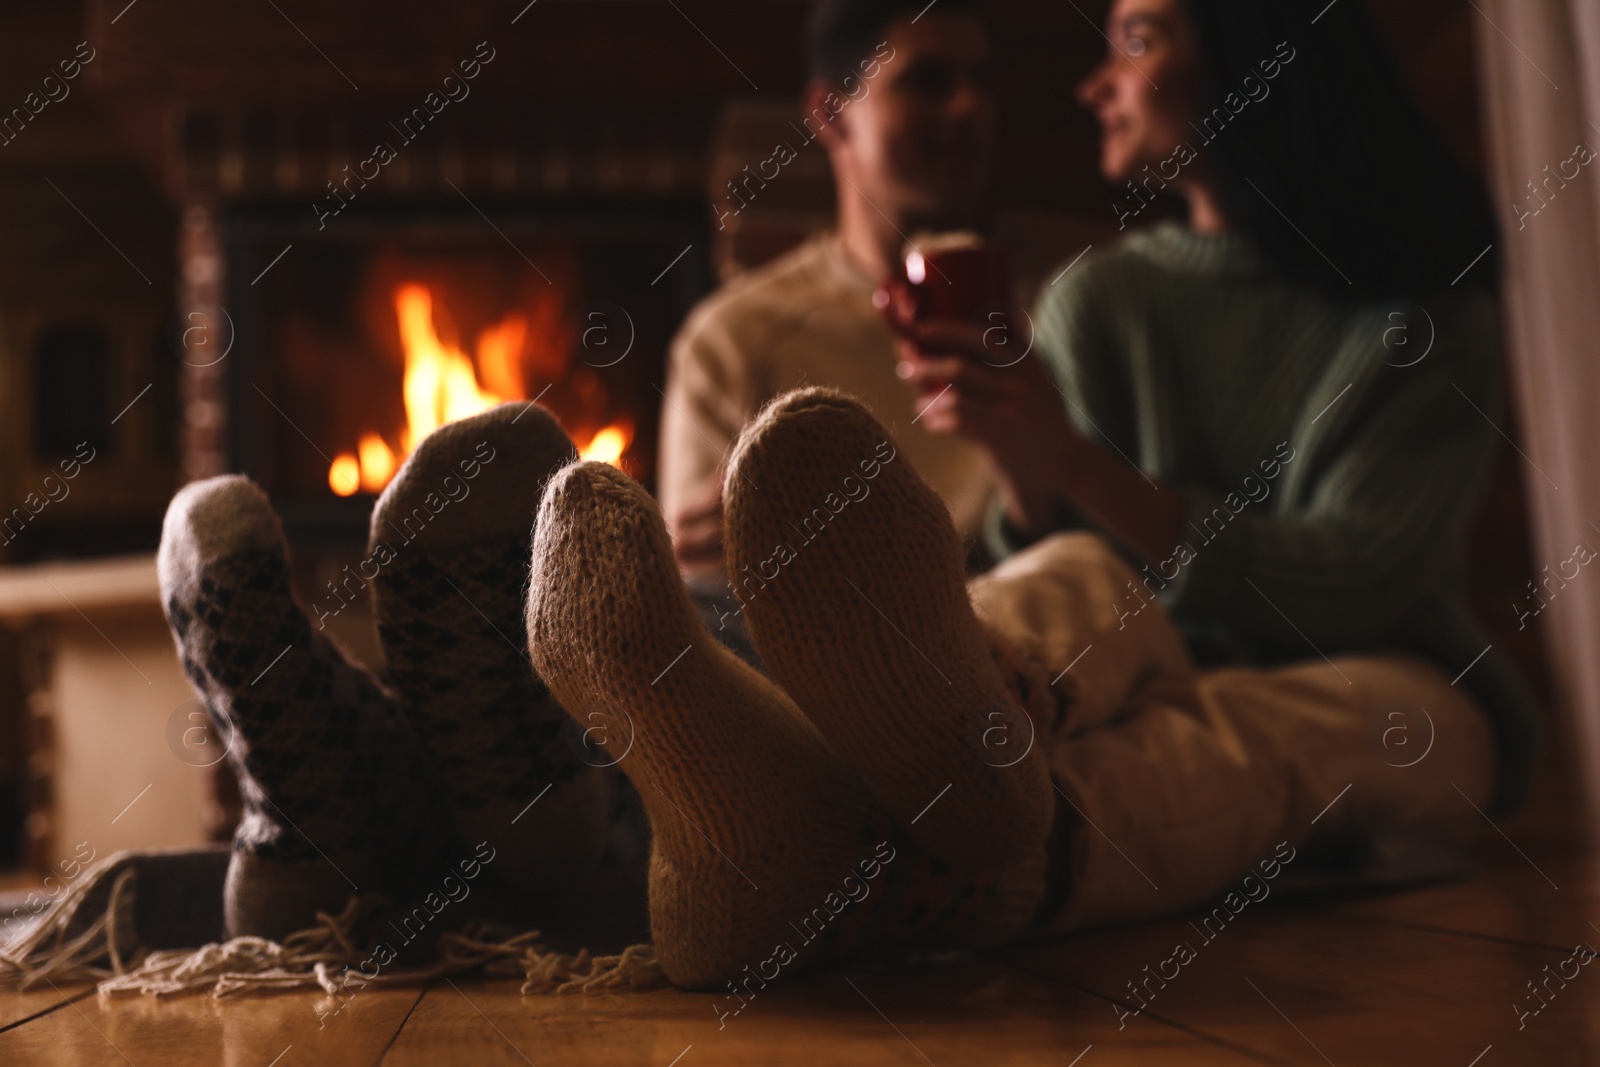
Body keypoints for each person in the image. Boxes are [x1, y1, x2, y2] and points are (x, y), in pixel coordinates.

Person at [896, 0, 1538, 816]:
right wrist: (1025, 465)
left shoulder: (1427, 319)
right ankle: (890, 732)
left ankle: (966, 840)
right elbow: (1081, 576)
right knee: (1069, 600)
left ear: (1256, 57)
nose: (1095, 85)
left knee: (1256, 733)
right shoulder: (1097, 298)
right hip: (1140, 673)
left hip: (1378, 679)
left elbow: (1362, 584)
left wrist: (1075, 464)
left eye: (1137, 41)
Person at [660, 0, 1090, 601]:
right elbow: (704, 593)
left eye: (982, 82)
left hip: (1026, 643)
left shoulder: (1076, 291)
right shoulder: (735, 336)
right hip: (819, 658)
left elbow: (1105, 557)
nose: (969, 108)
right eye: (928, 82)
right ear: (831, 114)